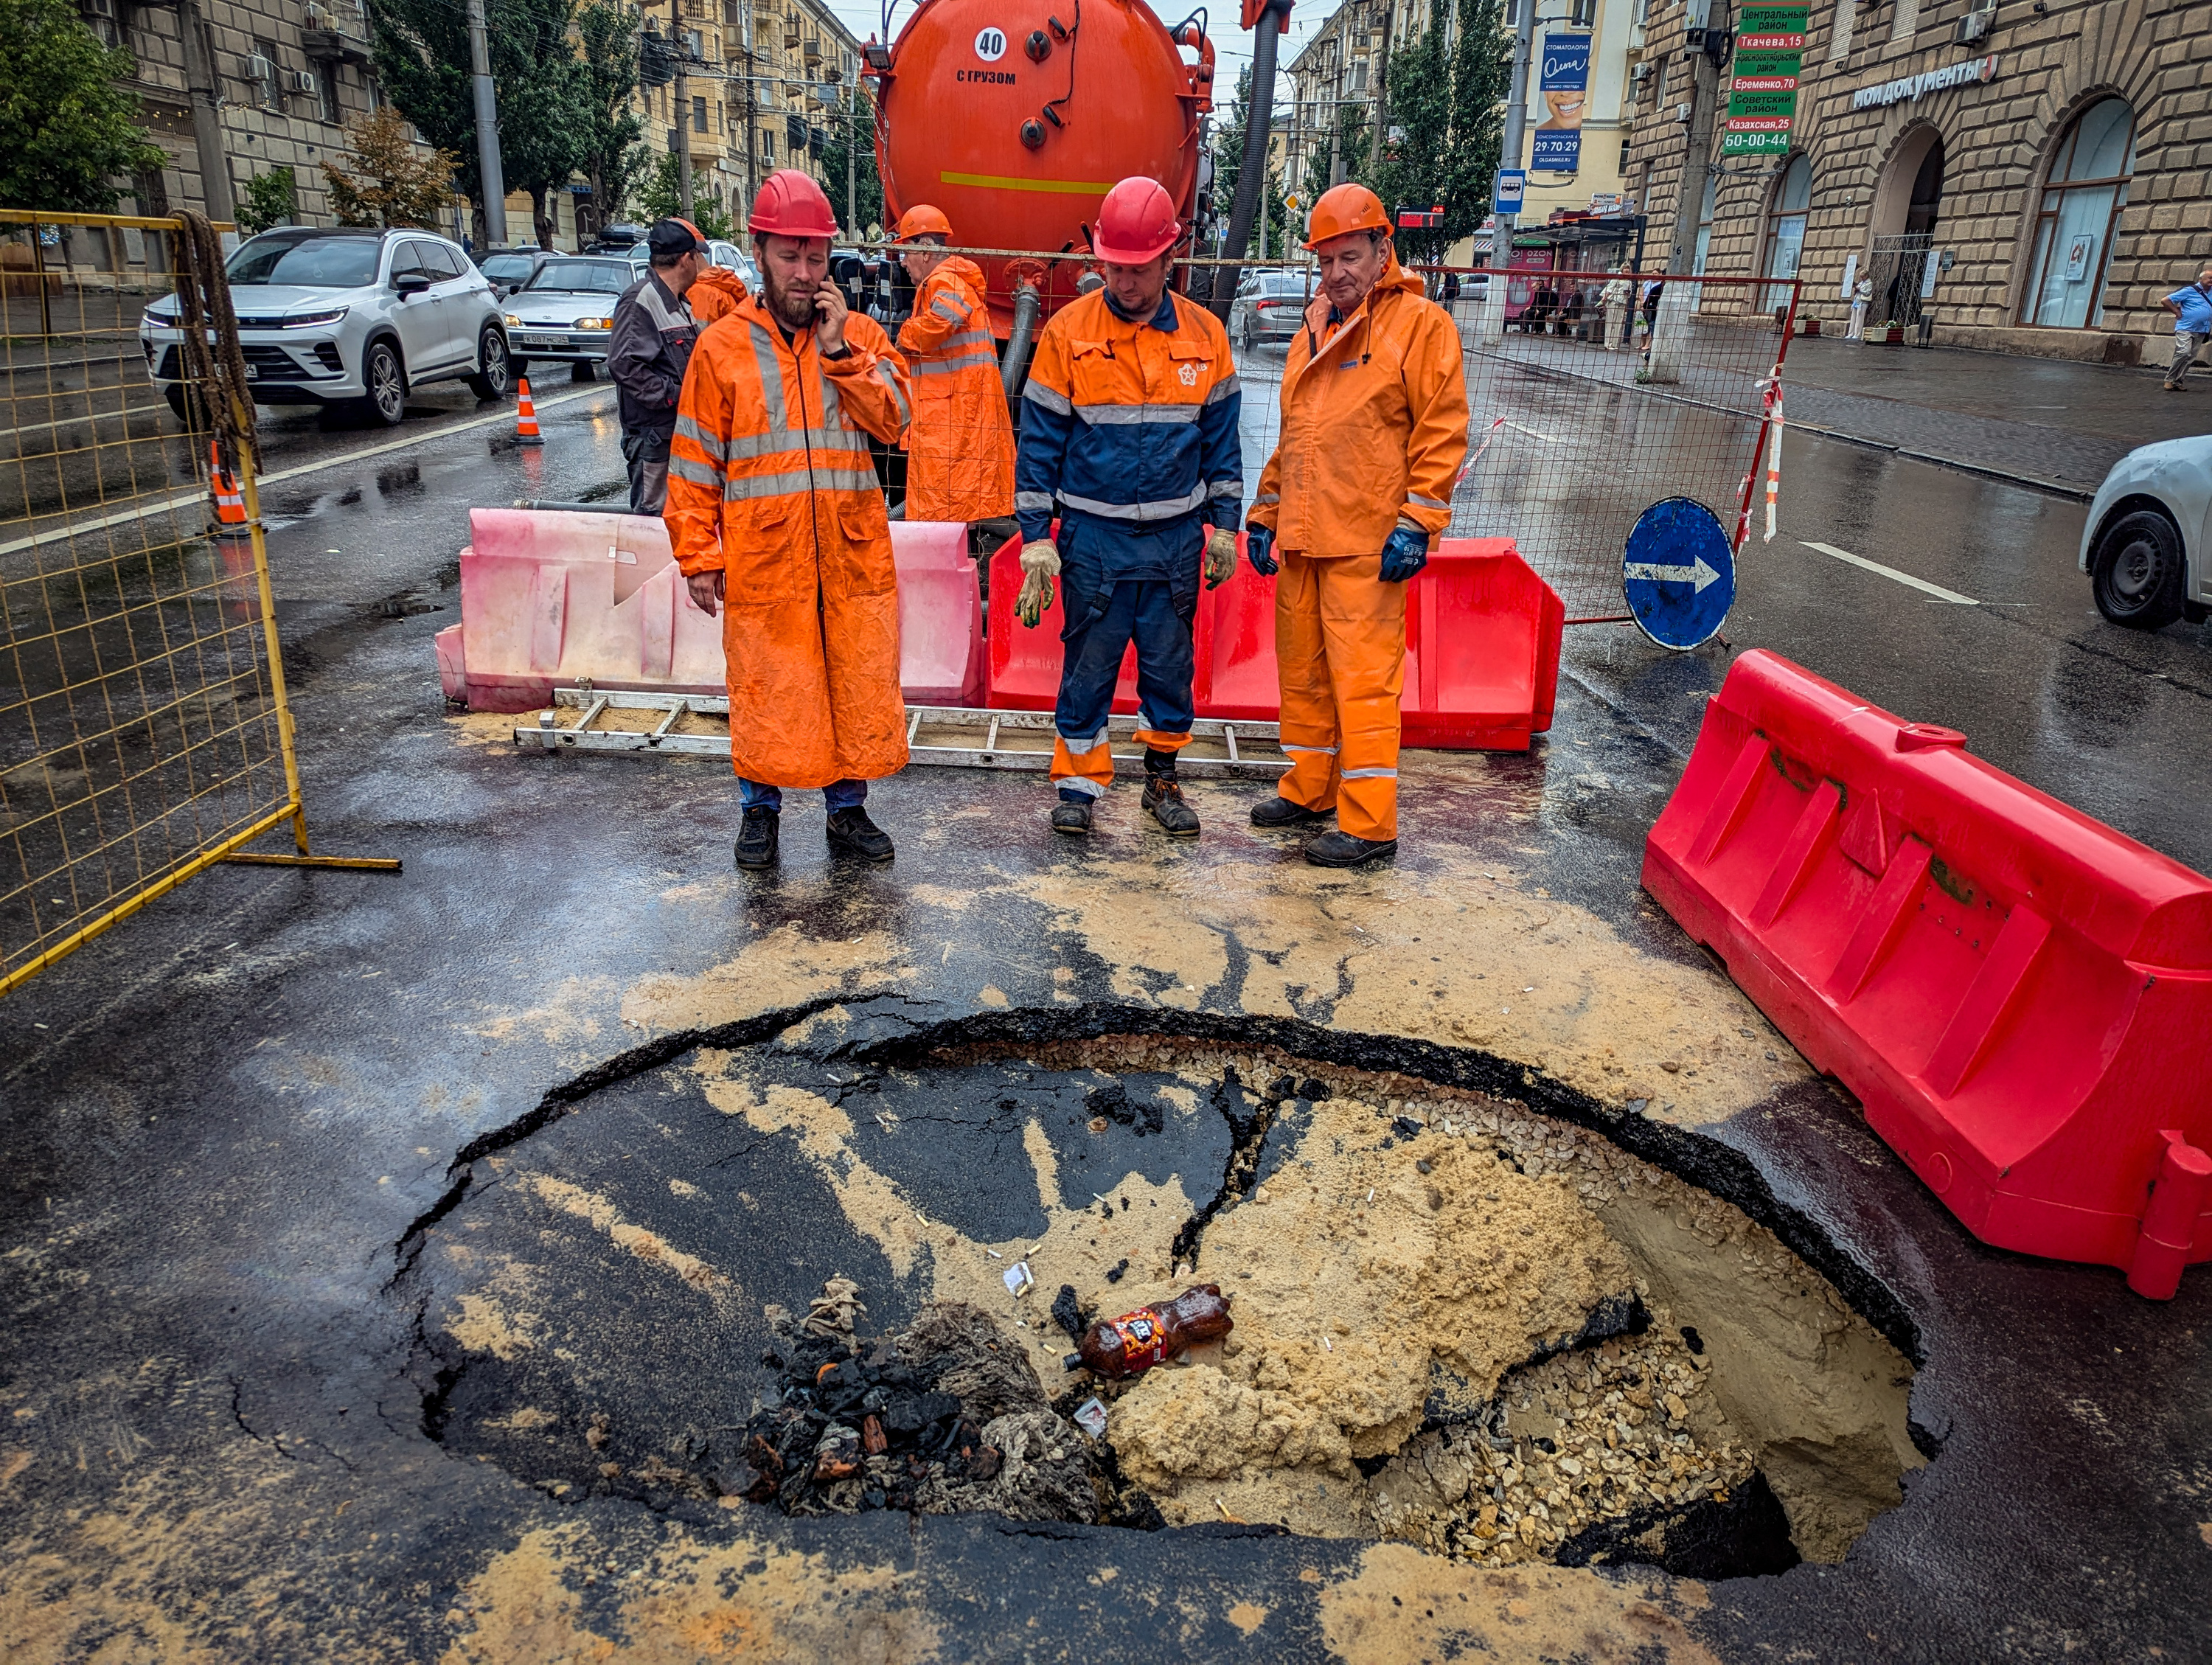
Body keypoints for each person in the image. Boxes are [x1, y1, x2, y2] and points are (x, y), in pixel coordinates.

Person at [665, 170, 916, 871]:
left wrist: (841, 355)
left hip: (849, 555)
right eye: (789, 257)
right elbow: (692, 464)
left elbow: (897, 421)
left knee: (851, 682)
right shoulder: (722, 349)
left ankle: (847, 811)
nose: (805, 275)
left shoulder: (858, 336)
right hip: (766, 561)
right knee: (768, 686)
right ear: (760, 252)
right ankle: (759, 812)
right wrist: (698, 555)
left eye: (815, 258)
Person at [1245, 183, 1469, 867]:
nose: (1337, 273)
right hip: (1308, 537)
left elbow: (1441, 430)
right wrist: (1266, 511)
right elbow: (1297, 433)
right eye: (1326, 260)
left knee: (1365, 685)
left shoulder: (1419, 326)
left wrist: (1419, 521)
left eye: (1350, 256)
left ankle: (1370, 824)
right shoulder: (1316, 325)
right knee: (1305, 677)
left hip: (1368, 546)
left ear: (1382, 251)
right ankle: (1310, 789)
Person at [1012, 175, 1242, 838]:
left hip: (1174, 542)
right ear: (1100, 259)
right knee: (1088, 666)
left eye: (1139, 269)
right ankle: (1078, 785)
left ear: (1170, 260)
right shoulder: (1067, 334)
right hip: (1093, 541)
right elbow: (1039, 444)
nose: (1126, 282)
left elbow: (1222, 444)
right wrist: (1036, 537)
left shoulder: (1206, 336)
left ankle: (1162, 778)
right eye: (1115, 268)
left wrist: (1224, 528)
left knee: (1170, 668)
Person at [892, 204, 1016, 549]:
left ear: (927, 250)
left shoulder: (944, 279)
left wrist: (906, 336)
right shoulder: (950, 279)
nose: (903, 261)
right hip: (953, 413)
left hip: (949, 417)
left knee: (941, 512)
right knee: (951, 508)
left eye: (906, 251)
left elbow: (946, 316)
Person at [608, 217, 709, 513]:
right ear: (685, 259)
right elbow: (625, 365)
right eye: (698, 255)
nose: (701, 263)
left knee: (681, 521)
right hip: (654, 442)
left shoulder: (679, 303)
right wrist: (677, 396)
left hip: (676, 436)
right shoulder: (641, 300)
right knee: (654, 524)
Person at [2160, 266, 2212, 391]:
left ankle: (2178, 382)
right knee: (2183, 352)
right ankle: (2169, 379)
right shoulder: (2189, 290)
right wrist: (2175, 311)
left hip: (2202, 329)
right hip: (2185, 327)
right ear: (2201, 279)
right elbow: (2165, 300)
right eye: (2210, 278)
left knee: (2190, 357)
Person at [1599, 268, 1632, 352]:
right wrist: (1604, 298)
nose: (1627, 272)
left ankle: (1614, 343)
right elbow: (1610, 288)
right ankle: (1608, 343)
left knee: (1618, 323)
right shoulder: (1616, 279)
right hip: (1614, 301)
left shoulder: (1629, 281)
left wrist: (1628, 293)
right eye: (1626, 271)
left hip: (1623, 302)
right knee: (1611, 322)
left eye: (1628, 271)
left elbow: (1629, 294)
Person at [1846, 274, 1872, 341]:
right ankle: (1851, 333)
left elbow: (1868, 293)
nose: (1862, 278)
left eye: (1863, 277)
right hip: (1856, 301)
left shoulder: (1869, 283)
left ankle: (1857, 334)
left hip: (1863, 302)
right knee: (1853, 318)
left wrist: (1860, 289)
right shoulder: (1861, 283)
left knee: (1859, 319)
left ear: (1866, 276)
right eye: (1861, 277)